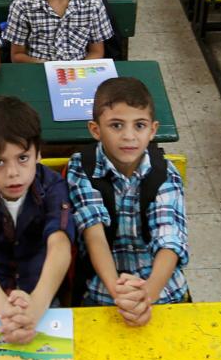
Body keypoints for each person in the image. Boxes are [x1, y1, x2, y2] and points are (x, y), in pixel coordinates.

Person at [66, 77, 188, 322]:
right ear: (96, 130)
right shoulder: (82, 167)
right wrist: (119, 295)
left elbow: (169, 239)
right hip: (102, 291)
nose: (129, 136)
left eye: (139, 125)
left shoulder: (165, 172)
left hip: (162, 291)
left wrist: (147, 295)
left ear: (153, 130)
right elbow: (94, 235)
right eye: (116, 125)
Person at [0, 96, 73, 342]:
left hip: (40, 294)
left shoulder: (52, 185)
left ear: (38, 153)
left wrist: (34, 309)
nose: (13, 173)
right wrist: (4, 310)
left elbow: (60, 244)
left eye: (22, 158)